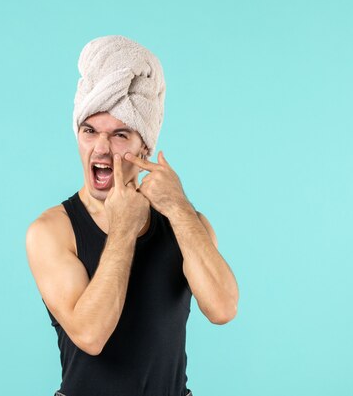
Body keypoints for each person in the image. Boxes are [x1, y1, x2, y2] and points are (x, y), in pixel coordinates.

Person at [25, 35, 239, 396]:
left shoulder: (185, 223)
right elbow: (90, 335)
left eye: (120, 134)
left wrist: (179, 209)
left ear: (144, 145)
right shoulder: (52, 231)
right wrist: (122, 229)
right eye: (89, 131)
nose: (101, 148)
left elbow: (222, 308)